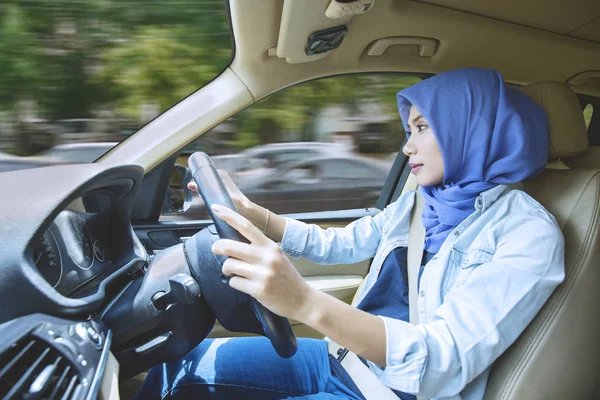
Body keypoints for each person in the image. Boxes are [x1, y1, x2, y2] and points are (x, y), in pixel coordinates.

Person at [134, 68, 565, 399]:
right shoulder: (421, 202)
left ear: (470, 129)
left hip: (388, 392)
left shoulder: (526, 234)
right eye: (408, 130)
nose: (405, 147)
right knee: (178, 367)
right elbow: (339, 243)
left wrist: (302, 301)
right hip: (340, 359)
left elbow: (439, 361)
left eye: (422, 128)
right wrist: (254, 215)